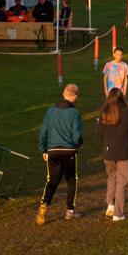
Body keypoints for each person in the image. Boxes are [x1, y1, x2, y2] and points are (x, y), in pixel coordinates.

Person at [36, 83, 83, 225]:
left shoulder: (50, 111)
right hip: (69, 151)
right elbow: (77, 134)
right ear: (74, 97)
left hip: (52, 151)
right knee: (71, 179)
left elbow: (43, 131)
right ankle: (70, 211)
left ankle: (44, 204)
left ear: (63, 94)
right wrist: (77, 144)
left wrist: (43, 149)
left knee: (52, 180)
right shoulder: (74, 113)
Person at [100, 88, 128, 221]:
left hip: (108, 152)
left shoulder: (104, 113)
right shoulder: (127, 112)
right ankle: (118, 213)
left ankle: (110, 204)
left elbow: (99, 130)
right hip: (123, 152)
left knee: (112, 177)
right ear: (122, 98)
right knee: (122, 181)